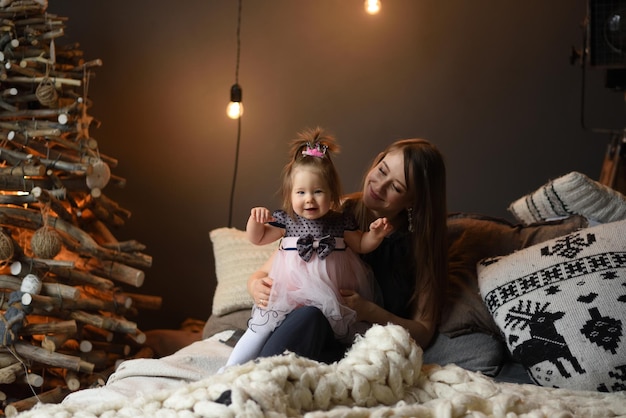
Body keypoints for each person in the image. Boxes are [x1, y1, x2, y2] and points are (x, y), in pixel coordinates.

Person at [247, 137, 449, 364]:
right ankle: (255, 380)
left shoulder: (420, 250)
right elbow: (276, 266)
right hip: (304, 331)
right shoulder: (335, 214)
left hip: (355, 348)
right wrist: (255, 284)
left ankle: (260, 379)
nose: (379, 186)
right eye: (381, 171)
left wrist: (370, 312)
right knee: (310, 314)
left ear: (414, 201)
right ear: (377, 162)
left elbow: (423, 332)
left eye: (396, 187)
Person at [223, 127, 393, 369]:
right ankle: (229, 369)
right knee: (258, 330)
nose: (309, 199)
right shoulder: (288, 220)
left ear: (332, 193)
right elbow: (258, 239)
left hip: (327, 300)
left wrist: (375, 234)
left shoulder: (339, 221)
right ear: (289, 195)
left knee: (347, 336)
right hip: (288, 295)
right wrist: (255, 220)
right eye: (301, 192)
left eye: (318, 191)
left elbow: (361, 245)